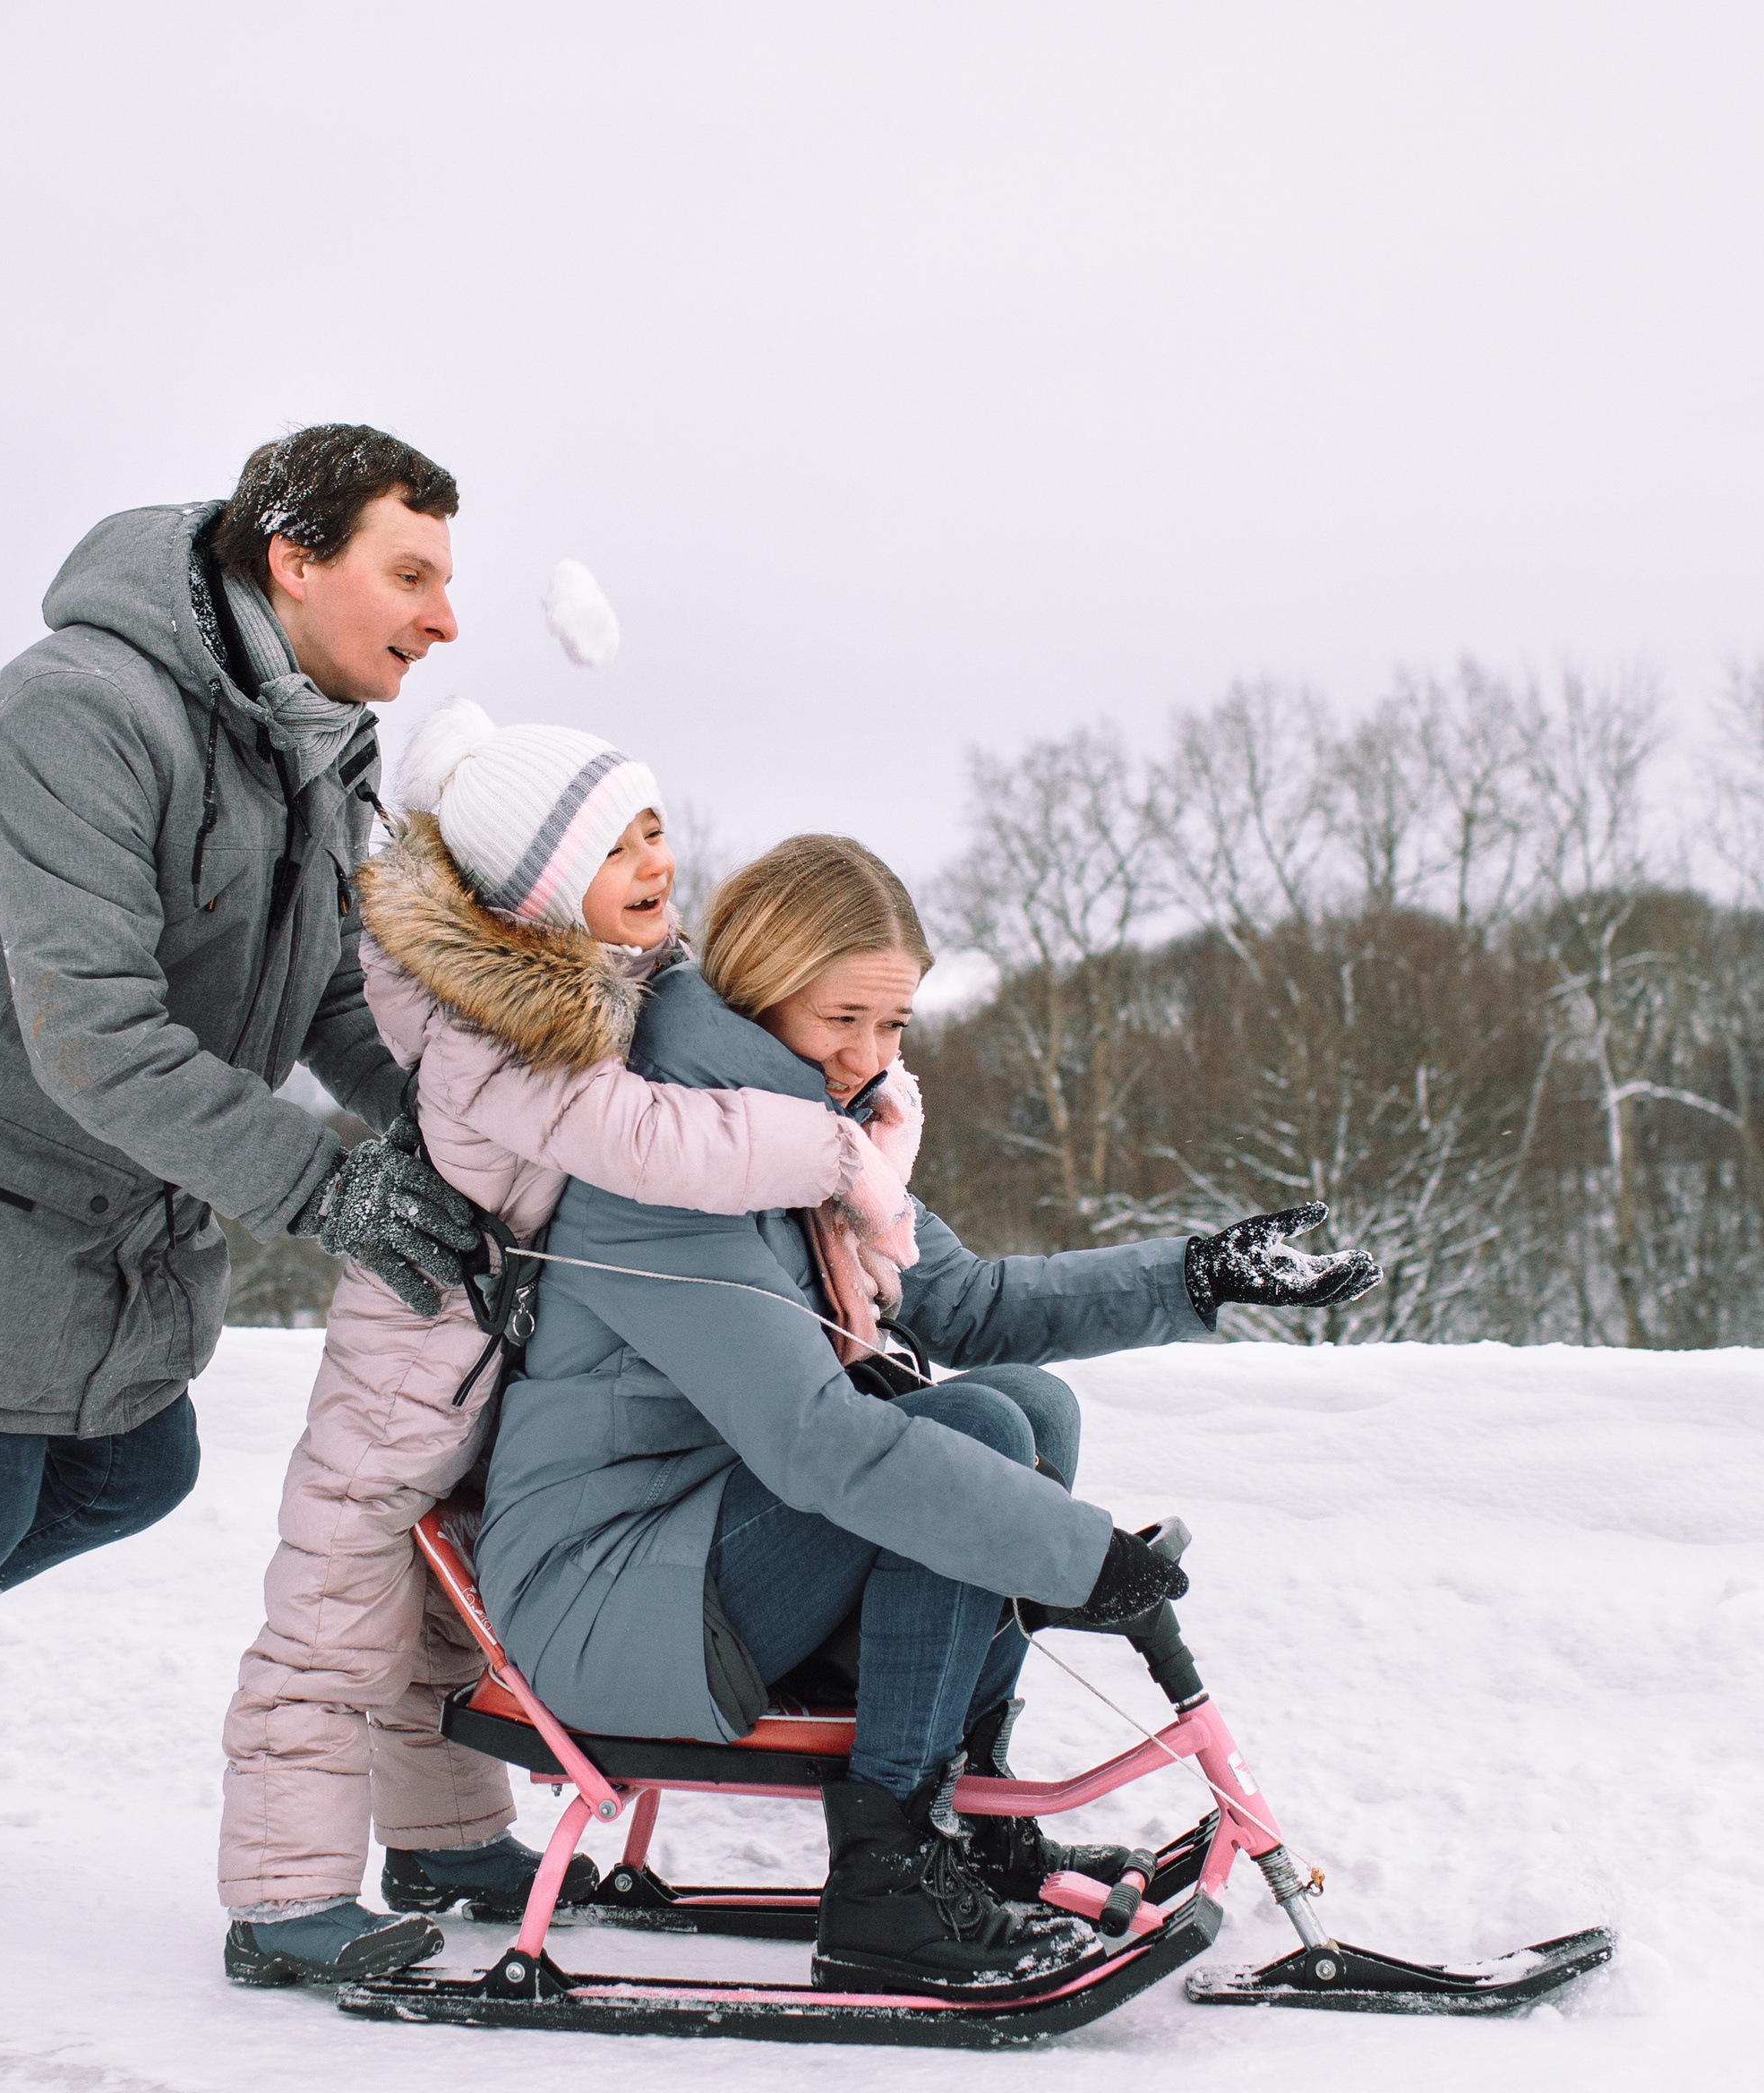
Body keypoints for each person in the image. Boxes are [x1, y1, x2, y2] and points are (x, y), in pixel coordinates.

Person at [0, 425, 492, 1920]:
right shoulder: (78, 712)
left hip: (75, 1168)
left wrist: (451, 1130)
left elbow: (325, 987)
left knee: (140, 1466)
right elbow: (102, 1037)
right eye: (411, 573)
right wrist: (332, 1194)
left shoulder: (311, 733)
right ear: (294, 560)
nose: (444, 617)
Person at [476, 834, 1381, 1997]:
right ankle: (889, 1881)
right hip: (603, 1590)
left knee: (1023, 1406)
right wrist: (1075, 1557)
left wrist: (1196, 1275)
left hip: (704, 1535)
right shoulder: (664, 1161)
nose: (868, 1058)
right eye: (841, 1018)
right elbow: (821, 1444)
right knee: (965, 1454)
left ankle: (963, 1814)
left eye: (894, 1025)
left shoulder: (814, 1142)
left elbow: (967, 1303)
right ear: (756, 999)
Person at [217, 707, 912, 1986]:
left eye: (654, 829)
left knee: (440, 1622)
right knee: (332, 1620)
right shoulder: (496, 1034)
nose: (657, 861)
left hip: (487, 1366)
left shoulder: (598, 992)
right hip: (409, 1365)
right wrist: (830, 1150)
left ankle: (446, 1841)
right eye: (617, 849)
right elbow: (646, 1141)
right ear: (541, 890)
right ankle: (281, 1897)